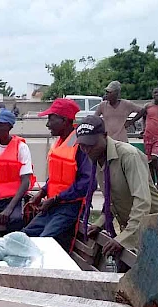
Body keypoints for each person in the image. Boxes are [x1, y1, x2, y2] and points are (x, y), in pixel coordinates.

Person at [76, 116, 158, 256]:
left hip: (157, 229)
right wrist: (100, 223)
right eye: (82, 146)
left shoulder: (128, 156)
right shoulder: (96, 157)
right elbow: (112, 200)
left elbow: (142, 202)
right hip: (134, 230)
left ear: (105, 136)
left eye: (91, 145)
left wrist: (123, 238)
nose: (87, 150)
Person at [22, 99, 94, 248]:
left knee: (43, 243)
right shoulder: (62, 141)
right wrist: (42, 193)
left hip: (70, 208)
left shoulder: (80, 144)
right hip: (53, 205)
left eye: (51, 119)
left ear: (65, 121)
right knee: (23, 236)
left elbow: (87, 183)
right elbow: (56, 176)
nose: (47, 124)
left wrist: (55, 199)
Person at [131, 86, 158, 196]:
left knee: (154, 158)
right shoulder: (148, 106)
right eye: (155, 93)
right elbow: (143, 117)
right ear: (152, 94)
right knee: (150, 163)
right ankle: (153, 188)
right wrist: (143, 129)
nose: (157, 95)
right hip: (148, 137)